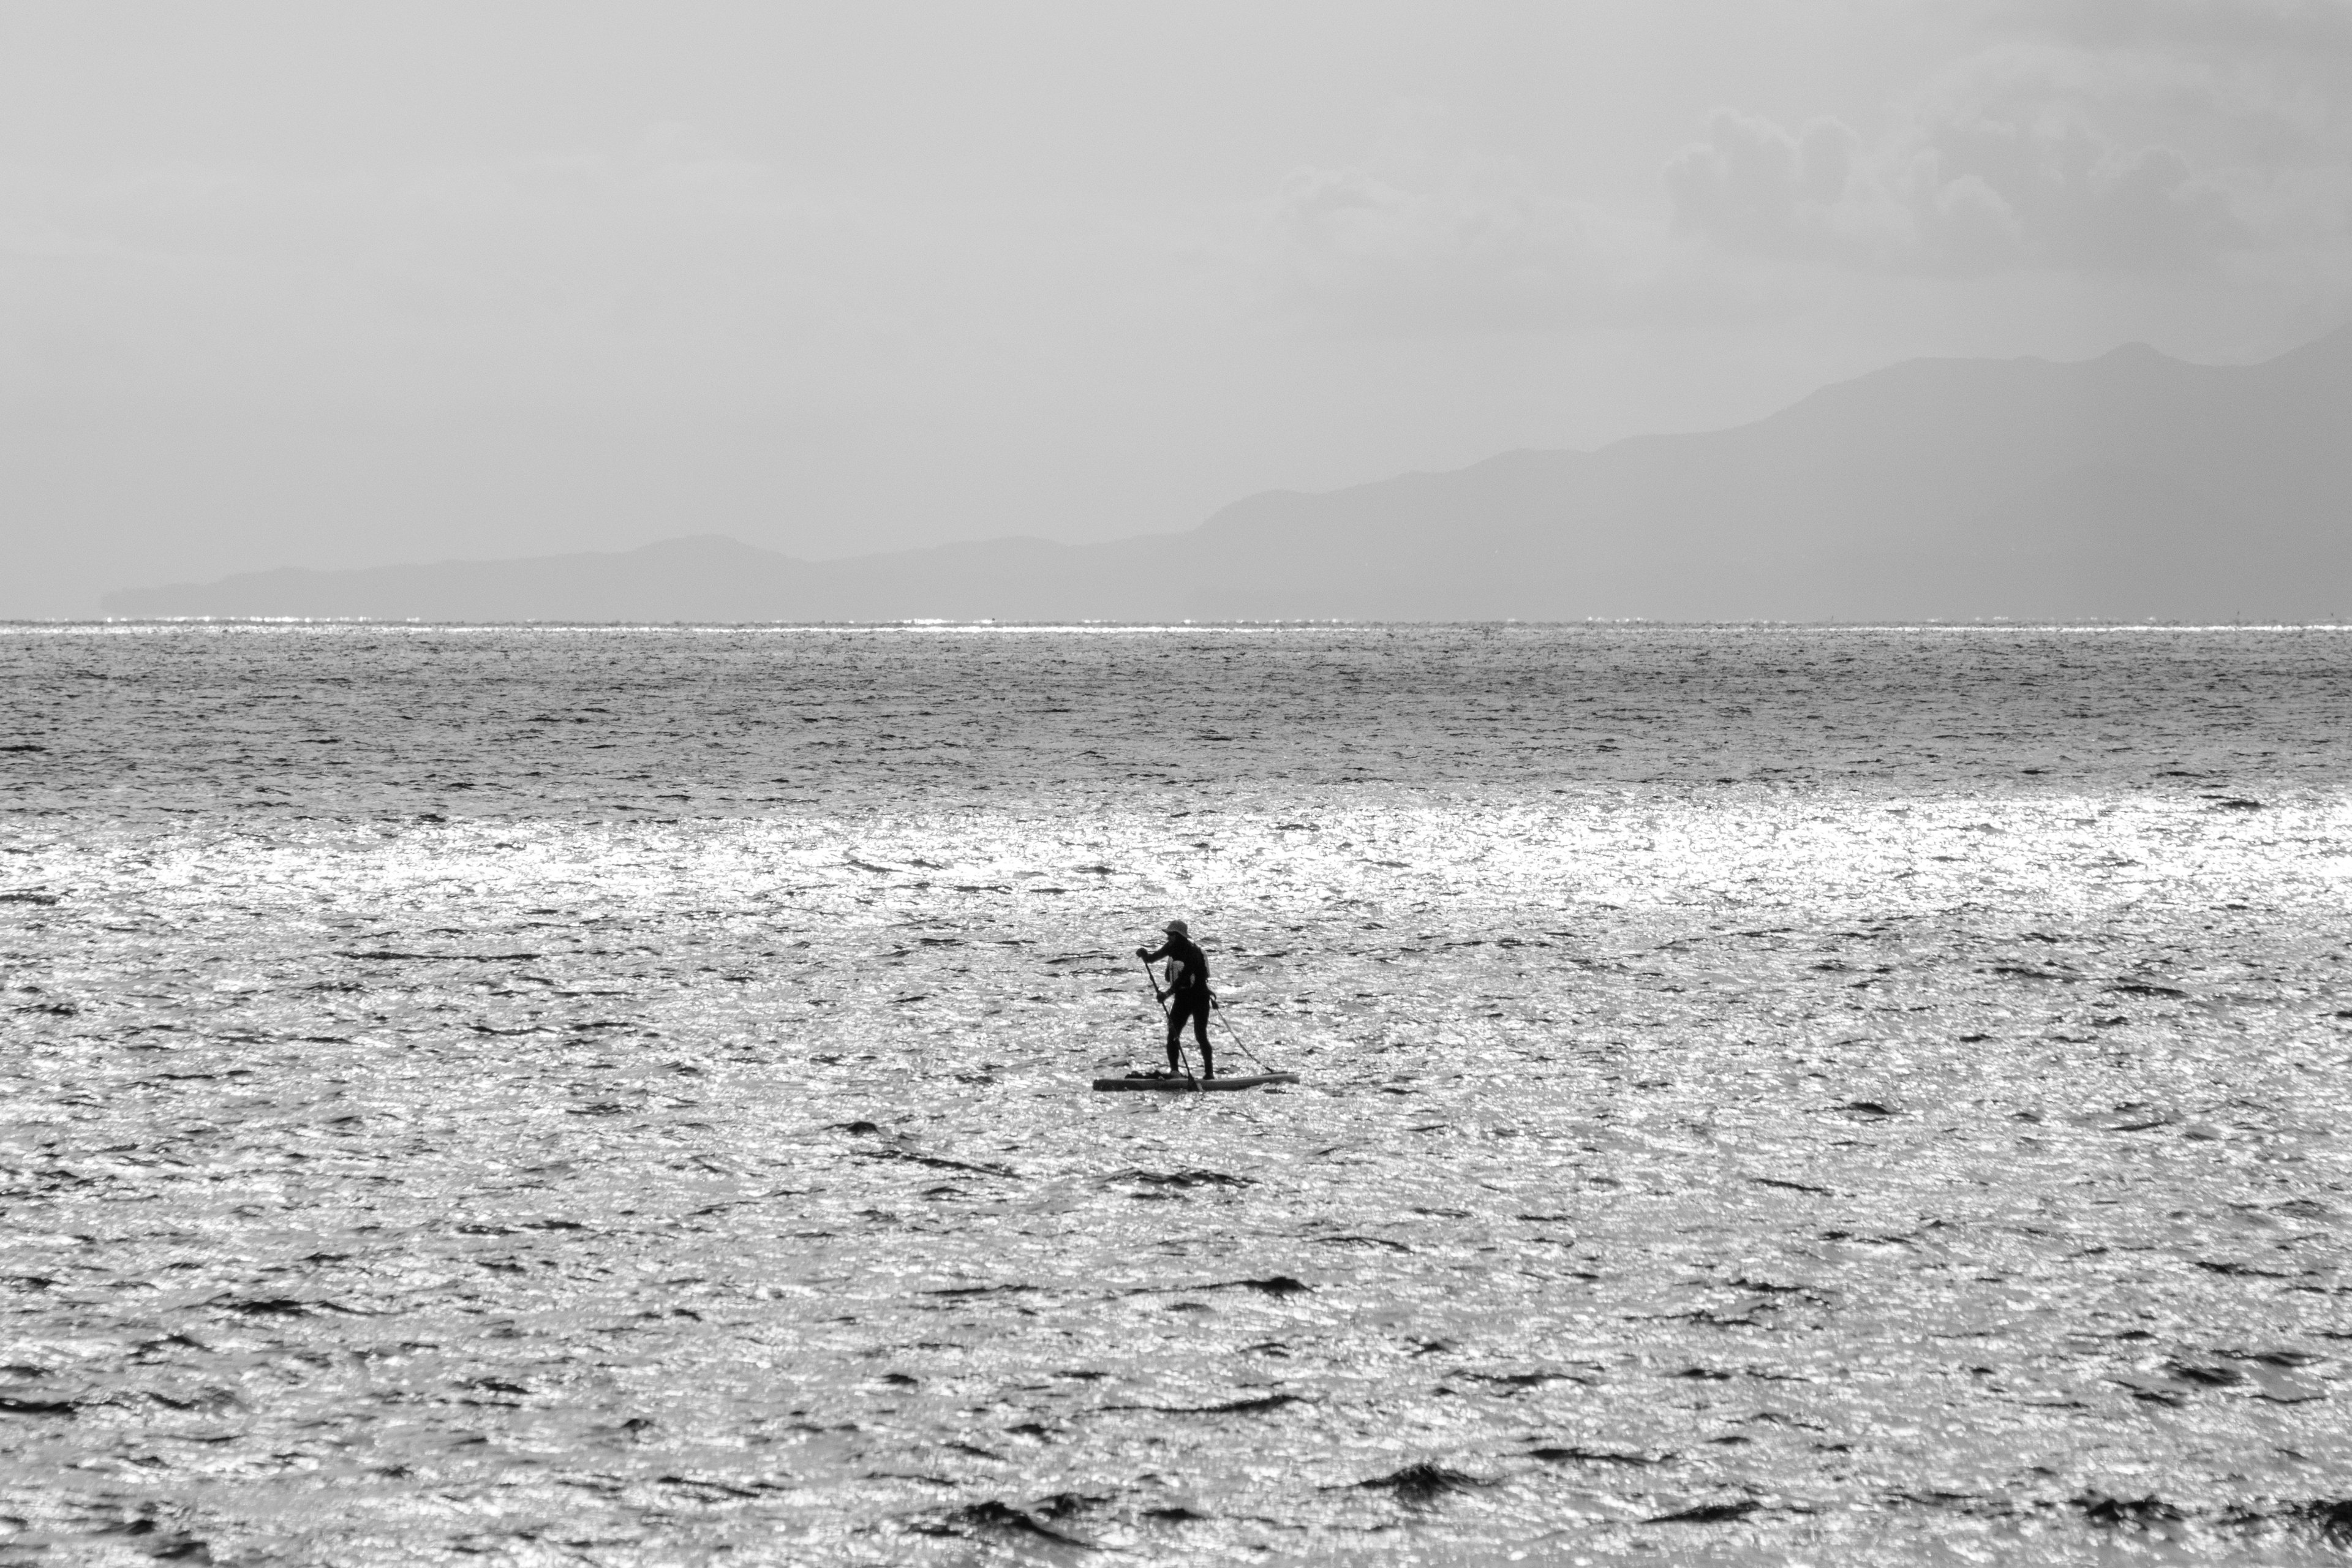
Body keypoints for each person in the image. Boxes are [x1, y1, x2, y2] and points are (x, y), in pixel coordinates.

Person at [1137, 918, 1213, 1079]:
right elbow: (1153, 958)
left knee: (1200, 1035)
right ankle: (1175, 1072)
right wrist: (1145, 955)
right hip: (1182, 999)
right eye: (1168, 934)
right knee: (1173, 1033)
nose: (1168, 938)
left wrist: (1166, 994)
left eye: (1171, 935)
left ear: (1180, 936)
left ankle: (1209, 1074)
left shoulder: (1193, 953)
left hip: (1199, 998)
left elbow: (1184, 979)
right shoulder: (1171, 947)